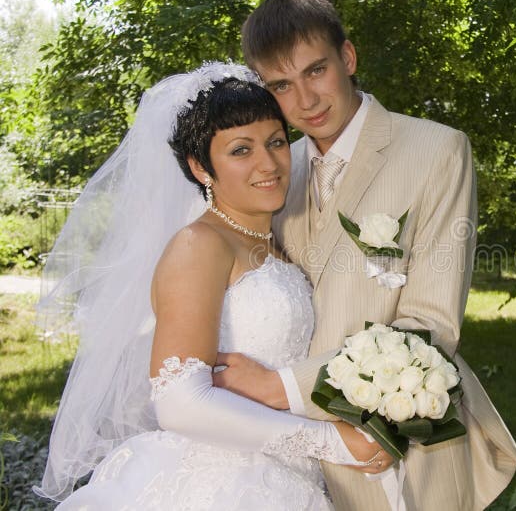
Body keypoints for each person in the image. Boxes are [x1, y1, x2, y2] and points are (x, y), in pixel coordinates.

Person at [213, 0, 516, 511]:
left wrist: (281, 387)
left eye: (316, 71)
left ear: (348, 58)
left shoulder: (436, 149)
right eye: (282, 86)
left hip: (403, 444)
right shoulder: (273, 170)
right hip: (297, 461)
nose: (305, 101)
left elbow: (430, 325)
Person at [34, 63, 393, 510]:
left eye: (276, 142)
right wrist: (330, 441)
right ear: (201, 167)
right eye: (241, 150)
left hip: (288, 476)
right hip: (224, 483)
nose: (269, 163)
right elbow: (180, 402)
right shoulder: (198, 244)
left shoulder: (269, 242)